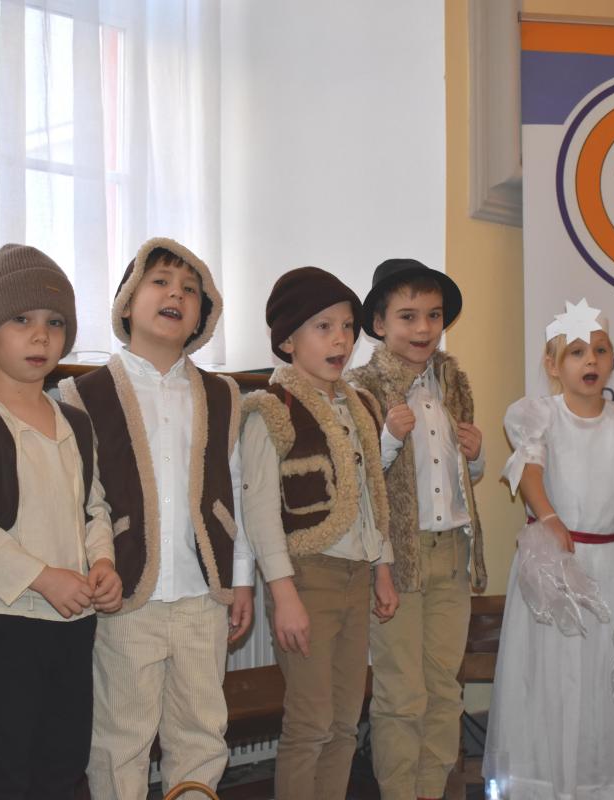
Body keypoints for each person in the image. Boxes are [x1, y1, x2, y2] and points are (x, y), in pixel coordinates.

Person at [59, 239, 254, 798]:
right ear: (128, 301)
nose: (176, 294)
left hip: (201, 596)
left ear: (203, 315)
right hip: (125, 597)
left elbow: (234, 491)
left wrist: (241, 581)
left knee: (201, 733)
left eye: (190, 289)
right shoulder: (84, 394)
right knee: (121, 737)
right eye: (160, 282)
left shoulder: (223, 394)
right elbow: (81, 498)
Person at [0, 244, 120, 798]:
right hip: (8, 625)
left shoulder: (74, 422)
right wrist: (44, 577)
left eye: (54, 322)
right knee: (6, 768)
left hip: (74, 625)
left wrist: (102, 561)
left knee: (63, 762)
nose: (40, 336)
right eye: (21, 320)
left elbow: (94, 507)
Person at [484, 299, 614, 800]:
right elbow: (530, 470)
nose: (591, 360)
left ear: (613, 360)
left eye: (600, 350)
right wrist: (549, 517)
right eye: (576, 352)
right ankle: (541, 783)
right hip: (552, 564)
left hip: (605, 566)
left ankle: (595, 783)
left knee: (598, 674)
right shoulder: (540, 416)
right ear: (553, 365)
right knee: (546, 671)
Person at [240, 267, 399, 800]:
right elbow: (260, 511)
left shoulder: (359, 405)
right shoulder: (271, 408)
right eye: (323, 327)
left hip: (356, 576)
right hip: (308, 578)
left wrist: (382, 567)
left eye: (348, 326)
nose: (341, 340)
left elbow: (373, 495)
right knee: (310, 723)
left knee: (345, 722)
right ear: (288, 340)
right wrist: (283, 593)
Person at [346, 258, 487, 800]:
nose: (424, 328)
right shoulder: (361, 388)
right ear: (379, 324)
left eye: (433, 315)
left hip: (452, 553)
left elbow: (456, 478)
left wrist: (474, 458)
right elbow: (356, 483)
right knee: (401, 695)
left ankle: (431, 790)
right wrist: (387, 438)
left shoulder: (453, 384)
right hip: (398, 560)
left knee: (444, 690)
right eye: (408, 316)